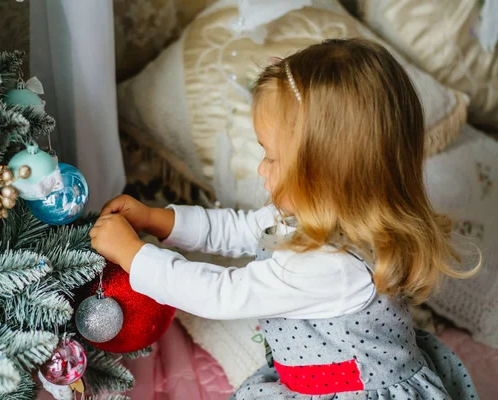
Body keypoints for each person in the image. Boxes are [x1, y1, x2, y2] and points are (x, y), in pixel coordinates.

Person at [90, 38, 479, 399]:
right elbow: (241, 229)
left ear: (327, 172)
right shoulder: (316, 215)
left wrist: (135, 256)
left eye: (273, 158)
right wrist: (162, 220)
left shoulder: (330, 265)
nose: (262, 169)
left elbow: (221, 293)